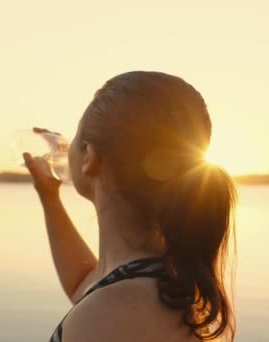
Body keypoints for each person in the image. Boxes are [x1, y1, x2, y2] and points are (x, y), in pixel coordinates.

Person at [23, 71, 237, 341]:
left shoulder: (105, 317)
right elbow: (83, 284)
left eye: (75, 140)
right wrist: (49, 197)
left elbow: (98, 301)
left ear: (90, 156)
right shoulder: (153, 278)